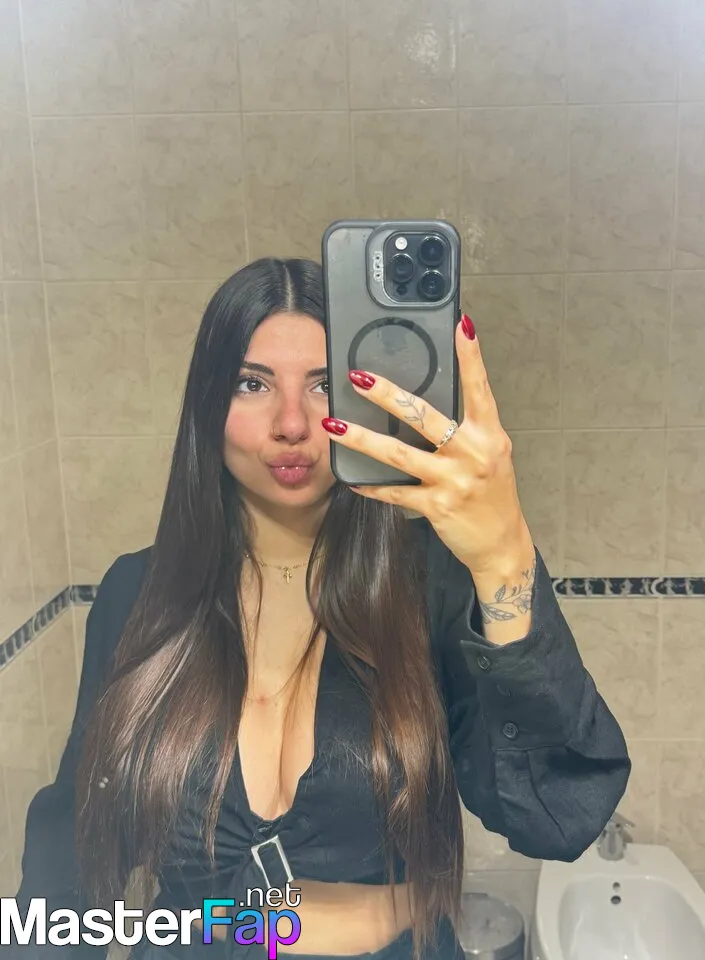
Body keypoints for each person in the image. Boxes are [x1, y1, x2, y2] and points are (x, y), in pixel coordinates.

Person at [13, 258, 630, 960]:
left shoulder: (430, 584)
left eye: (325, 385)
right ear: (207, 403)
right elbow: (61, 889)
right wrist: (251, 923)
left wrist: (505, 557)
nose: (291, 424)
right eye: (251, 384)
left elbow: (558, 817)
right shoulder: (136, 594)